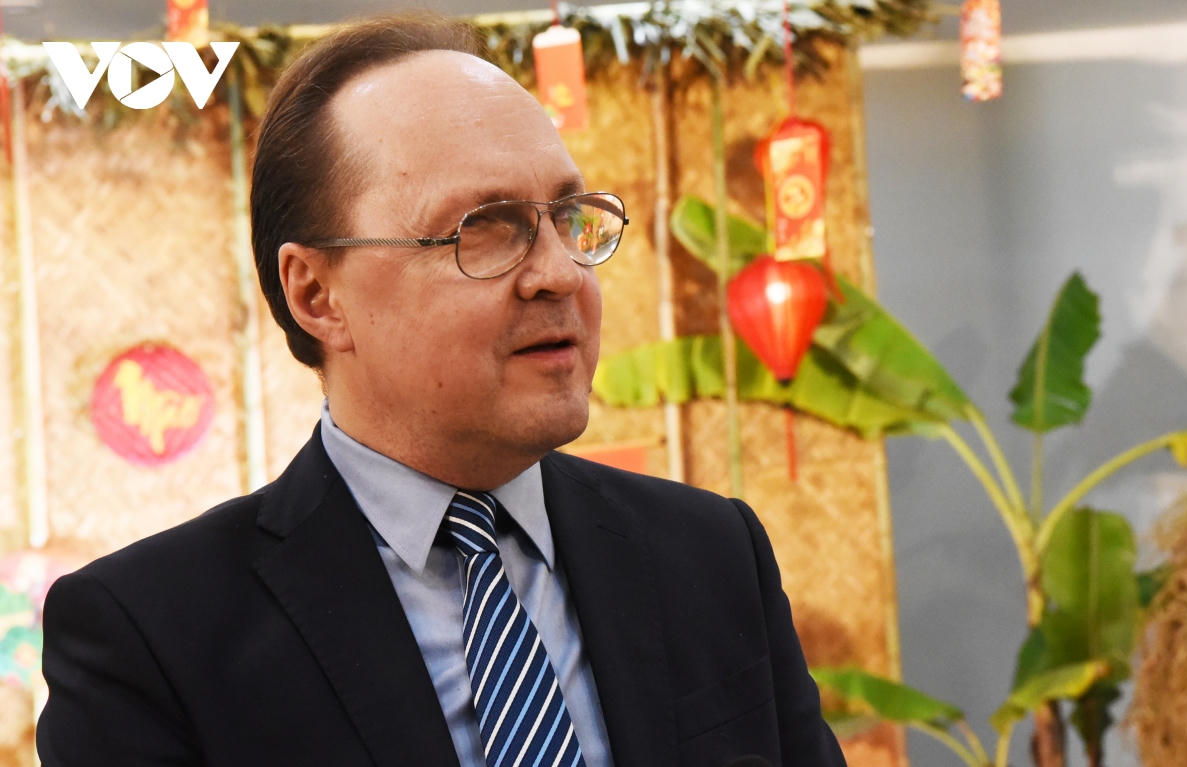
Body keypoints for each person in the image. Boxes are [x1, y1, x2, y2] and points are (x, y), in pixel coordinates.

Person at [37, 13, 846, 767]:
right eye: (485, 228)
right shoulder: (152, 635)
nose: (560, 273)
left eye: (570, 216)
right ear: (317, 294)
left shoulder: (710, 554)